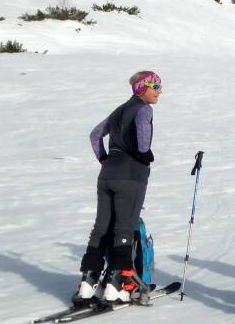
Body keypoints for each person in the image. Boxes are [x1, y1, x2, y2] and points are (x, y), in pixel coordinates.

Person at [75, 71, 162, 305]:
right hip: (131, 176)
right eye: (155, 86)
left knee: (100, 228)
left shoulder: (118, 111)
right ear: (142, 88)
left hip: (106, 176)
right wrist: (143, 155)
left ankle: (87, 283)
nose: (159, 91)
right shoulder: (144, 109)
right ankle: (117, 285)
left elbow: (95, 135)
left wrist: (105, 159)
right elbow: (143, 139)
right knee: (124, 228)